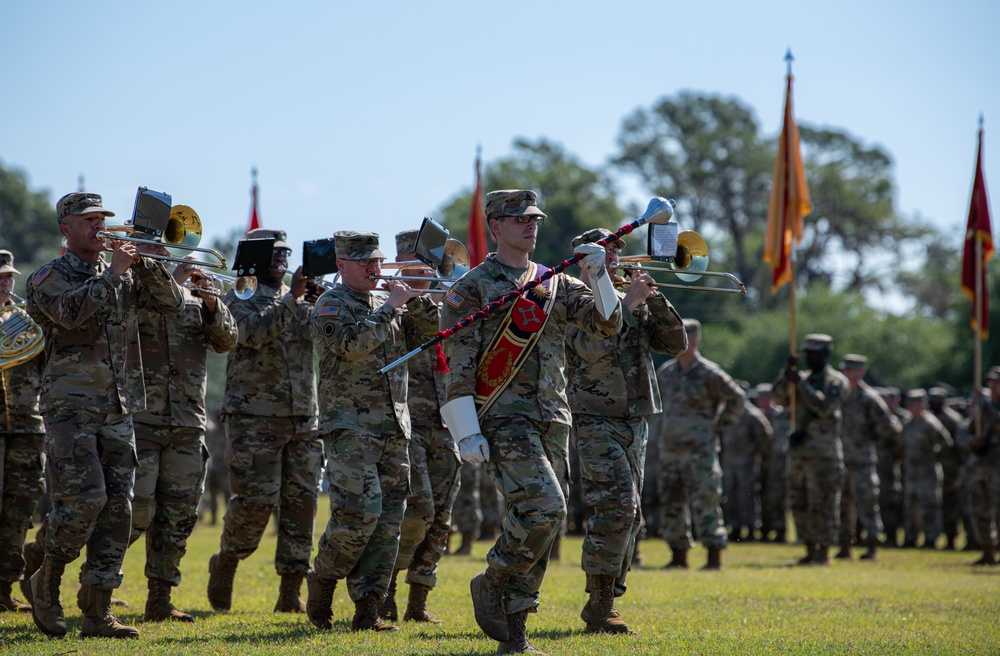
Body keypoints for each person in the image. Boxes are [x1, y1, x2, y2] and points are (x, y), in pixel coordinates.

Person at [439, 189, 622, 654]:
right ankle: (493, 578)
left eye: (535, 219)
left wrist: (598, 274)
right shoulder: (472, 287)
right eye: (519, 219)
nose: (531, 227)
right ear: (495, 226)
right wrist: (466, 430)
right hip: (501, 417)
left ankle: (515, 636)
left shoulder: (555, 281)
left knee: (537, 520)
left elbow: (607, 323)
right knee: (547, 507)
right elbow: (458, 364)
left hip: (552, 416)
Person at [24, 192, 184, 638]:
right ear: (66, 228)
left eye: (102, 219)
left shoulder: (125, 273)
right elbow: (70, 316)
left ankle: (98, 611)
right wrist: (115, 272)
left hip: (120, 405)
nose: (99, 226)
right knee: (84, 502)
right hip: (69, 407)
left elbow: (173, 305)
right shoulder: (46, 277)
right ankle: (47, 581)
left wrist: (149, 261)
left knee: (119, 509)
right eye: (88, 220)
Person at [305, 230, 440, 632]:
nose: (374, 268)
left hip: (394, 426)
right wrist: (391, 307)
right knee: (358, 513)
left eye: (376, 261)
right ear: (341, 265)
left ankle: (369, 608)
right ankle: (324, 579)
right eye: (364, 262)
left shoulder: (389, 300)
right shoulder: (330, 304)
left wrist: (418, 296)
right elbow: (351, 345)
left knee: (388, 522)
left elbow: (429, 338)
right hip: (349, 426)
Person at [565, 227, 686, 634]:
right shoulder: (572, 298)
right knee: (615, 506)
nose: (615, 257)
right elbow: (594, 347)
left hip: (636, 418)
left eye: (618, 250)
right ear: (586, 259)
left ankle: (608, 596)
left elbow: (675, 345)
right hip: (595, 416)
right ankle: (599, 606)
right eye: (606, 251)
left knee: (631, 516)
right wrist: (630, 306)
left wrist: (654, 298)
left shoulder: (630, 296)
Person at [207, 229, 323, 613]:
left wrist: (322, 304)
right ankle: (227, 561)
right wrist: (292, 299)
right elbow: (249, 334)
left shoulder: (303, 299)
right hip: (254, 417)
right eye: (274, 255)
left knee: (302, 504)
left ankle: (290, 591)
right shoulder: (240, 293)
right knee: (256, 501)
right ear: (254, 257)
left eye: (286, 254)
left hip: (303, 417)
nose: (283, 260)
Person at [126, 244, 238, 622]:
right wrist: (168, 282)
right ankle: (75, 573)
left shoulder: (196, 300)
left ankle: (160, 599)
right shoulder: (132, 285)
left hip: (188, 420)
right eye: (160, 247)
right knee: (134, 510)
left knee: (178, 515)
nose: (172, 254)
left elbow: (226, 341)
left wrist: (210, 303)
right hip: (141, 417)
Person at [381, 229, 461, 624]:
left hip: (448, 421)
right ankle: (388, 586)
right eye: (412, 261)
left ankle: (418, 600)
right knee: (417, 508)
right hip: (406, 423)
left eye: (429, 262)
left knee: (442, 515)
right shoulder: (389, 303)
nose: (423, 270)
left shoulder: (451, 304)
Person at [651, 318, 745, 570]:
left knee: (706, 502)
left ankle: (713, 557)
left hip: (699, 451)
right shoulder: (667, 373)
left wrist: (717, 426)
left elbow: (737, 399)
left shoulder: (709, 373)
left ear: (694, 340)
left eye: (682, 337)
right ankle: (678, 556)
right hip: (670, 449)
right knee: (672, 504)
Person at [772, 334, 848, 566]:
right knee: (799, 502)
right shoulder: (799, 379)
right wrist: (786, 375)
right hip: (799, 453)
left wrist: (801, 384)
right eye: (807, 353)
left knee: (823, 503)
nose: (809, 358)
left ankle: (823, 552)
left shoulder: (835, 381)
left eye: (814, 353)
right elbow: (779, 398)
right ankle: (809, 549)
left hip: (824, 455)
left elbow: (825, 407)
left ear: (826, 353)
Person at [0, 249, 45, 613]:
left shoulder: (25, 320)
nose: (6, 283)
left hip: (28, 425)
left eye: (8, 277)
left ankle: (4, 587)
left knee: (20, 509)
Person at [836, 354, 901, 561]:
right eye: (844, 369)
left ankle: (872, 545)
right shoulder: (839, 395)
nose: (845, 373)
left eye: (850, 370)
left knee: (867, 503)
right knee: (842, 505)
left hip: (862, 460)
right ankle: (844, 545)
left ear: (860, 372)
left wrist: (872, 440)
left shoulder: (869, 398)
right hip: (840, 459)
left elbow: (890, 427)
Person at [899, 389, 953, 549]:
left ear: (922, 404)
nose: (910, 406)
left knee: (929, 506)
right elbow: (902, 445)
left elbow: (946, 443)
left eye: (914, 403)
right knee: (910, 506)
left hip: (927, 473)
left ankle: (931, 538)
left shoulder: (931, 423)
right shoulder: (907, 424)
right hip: (911, 472)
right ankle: (910, 538)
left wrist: (935, 457)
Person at [720, 396, 773, 542]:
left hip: (747, 463)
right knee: (729, 497)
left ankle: (750, 529)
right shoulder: (727, 413)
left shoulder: (752, 415)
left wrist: (757, 455)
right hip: (728, 463)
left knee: (747, 497)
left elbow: (765, 438)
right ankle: (734, 528)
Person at [962, 367, 1000, 565]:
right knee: (979, 510)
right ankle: (987, 550)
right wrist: (972, 440)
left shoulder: (987, 406)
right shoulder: (982, 407)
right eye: (991, 382)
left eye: (997, 382)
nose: (992, 386)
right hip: (979, 466)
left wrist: (983, 403)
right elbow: (965, 431)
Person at [927, 387, 965, 550]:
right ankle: (932, 536)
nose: (934, 402)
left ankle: (951, 538)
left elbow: (958, 446)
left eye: (937, 399)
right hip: (931, 469)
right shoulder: (929, 418)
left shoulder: (953, 420)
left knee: (951, 504)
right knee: (934, 504)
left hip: (951, 470)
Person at [755, 383, 791, 542]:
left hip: (779, 465)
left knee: (778, 498)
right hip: (762, 464)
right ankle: (765, 529)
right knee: (763, 498)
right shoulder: (758, 418)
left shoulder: (783, 416)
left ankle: (780, 530)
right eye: (761, 398)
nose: (764, 401)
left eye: (767, 397)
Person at [878, 386, 909, 547]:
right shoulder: (875, 416)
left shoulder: (903, 418)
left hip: (895, 468)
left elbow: (903, 444)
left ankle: (893, 537)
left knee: (892, 503)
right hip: (878, 466)